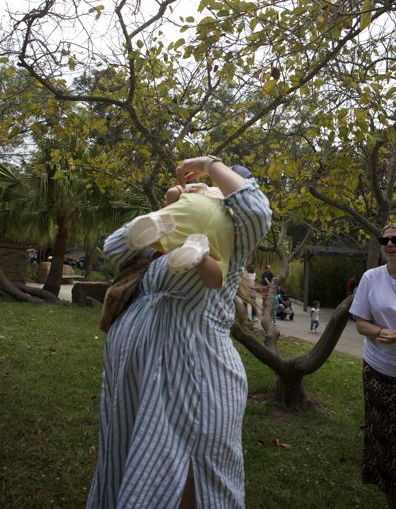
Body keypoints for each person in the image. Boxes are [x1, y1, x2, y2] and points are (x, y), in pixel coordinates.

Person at [86, 156, 272, 509]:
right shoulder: (169, 239)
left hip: (193, 366)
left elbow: (256, 208)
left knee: (189, 465)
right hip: (135, 372)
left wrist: (208, 163)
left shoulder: (237, 236)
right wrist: (167, 217)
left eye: (218, 188)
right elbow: (113, 247)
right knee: (126, 453)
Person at [349, 222, 396, 509]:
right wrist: (383, 334)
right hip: (380, 376)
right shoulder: (371, 278)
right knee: (388, 449)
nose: (390, 244)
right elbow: (360, 323)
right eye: (385, 240)